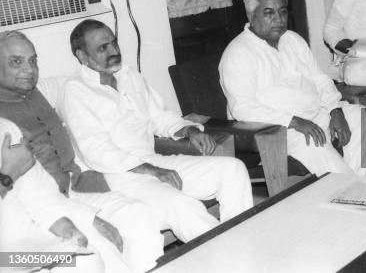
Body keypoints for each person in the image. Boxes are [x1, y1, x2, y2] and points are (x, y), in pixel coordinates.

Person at [57, 20, 253, 244]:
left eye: (114, 42)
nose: (114, 51)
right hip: (119, 177)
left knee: (233, 170)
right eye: (103, 48)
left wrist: (188, 130)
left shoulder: (129, 76)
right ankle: (233, 258)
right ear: (82, 56)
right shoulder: (74, 91)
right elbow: (97, 152)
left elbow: (159, 116)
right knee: (184, 206)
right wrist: (152, 171)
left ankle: (242, 242)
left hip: (154, 161)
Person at [0, 30, 163, 272]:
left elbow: (83, 84)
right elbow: (30, 196)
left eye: (33, 60)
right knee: (92, 257)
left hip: (67, 193)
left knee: (138, 216)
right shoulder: (7, 128)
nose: (29, 69)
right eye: (16, 62)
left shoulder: (37, 91)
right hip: (14, 251)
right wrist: (7, 177)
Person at [220, 0, 366, 177]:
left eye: (283, 11)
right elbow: (242, 108)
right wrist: (293, 121)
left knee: (362, 116)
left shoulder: (293, 40)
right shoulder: (238, 53)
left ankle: (364, 188)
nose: (278, 19)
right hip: (280, 130)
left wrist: (335, 110)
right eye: (269, 13)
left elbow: (320, 79)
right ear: (251, 15)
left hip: (316, 115)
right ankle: (353, 193)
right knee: (318, 148)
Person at [0, 118, 120, 273]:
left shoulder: (5, 128)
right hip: (5, 260)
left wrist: (66, 227)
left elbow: (39, 192)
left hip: (19, 252)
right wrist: (8, 175)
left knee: (87, 261)